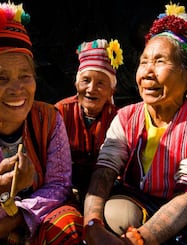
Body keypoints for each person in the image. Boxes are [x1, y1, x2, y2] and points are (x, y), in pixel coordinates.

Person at [0, 2, 82, 244]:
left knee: (68, 224)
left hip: (42, 220)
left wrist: (18, 218)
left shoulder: (49, 118)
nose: (17, 89)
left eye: (25, 76)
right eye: (0, 78)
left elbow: (59, 186)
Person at [82, 2, 187, 245]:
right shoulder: (128, 117)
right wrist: (92, 225)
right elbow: (105, 170)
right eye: (144, 61)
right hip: (138, 204)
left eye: (160, 61)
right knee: (113, 213)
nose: (147, 71)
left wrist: (138, 240)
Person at [55, 38, 123, 208]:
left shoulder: (119, 119)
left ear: (111, 91)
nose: (91, 89)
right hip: (65, 186)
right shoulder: (60, 112)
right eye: (86, 81)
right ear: (76, 84)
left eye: (101, 83)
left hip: (104, 188)